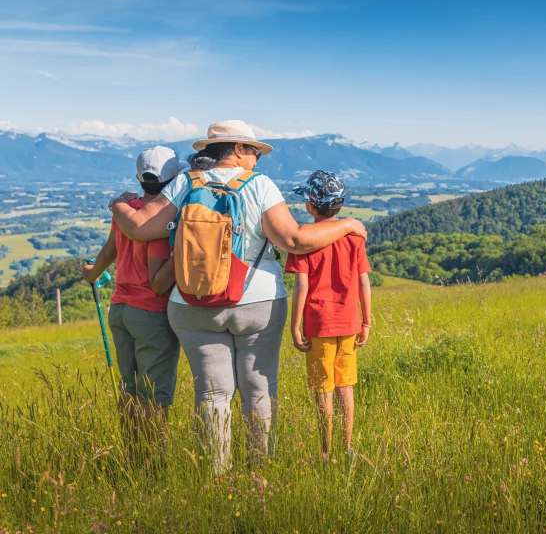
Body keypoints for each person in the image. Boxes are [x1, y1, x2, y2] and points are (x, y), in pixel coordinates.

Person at [109, 120, 368, 470]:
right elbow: (294, 240)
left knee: (212, 394)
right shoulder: (259, 185)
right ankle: (260, 473)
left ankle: (216, 478)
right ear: (238, 149)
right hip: (256, 301)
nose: (258, 159)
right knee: (258, 389)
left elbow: (140, 228)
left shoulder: (186, 181)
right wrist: (350, 225)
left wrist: (117, 205)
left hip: (191, 303)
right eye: (255, 151)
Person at [84, 146, 183, 454]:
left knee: (130, 389)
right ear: (174, 179)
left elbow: (110, 250)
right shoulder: (159, 220)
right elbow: (159, 278)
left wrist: (93, 273)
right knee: (155, 394)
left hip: (120, 309)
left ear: (140, 179)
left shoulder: (129, 212)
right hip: (150, 312)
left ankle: (134, 455)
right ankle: (155, 462)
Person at [286, 171, 372, 457]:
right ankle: (346, 449)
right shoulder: (354, 239)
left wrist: (295, 326)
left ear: (310, 206)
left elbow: (301, 285)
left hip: (318, 324)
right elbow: (363, 281)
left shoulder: (303, 240)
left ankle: (326, 452)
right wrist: (367, 321)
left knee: (322, 390)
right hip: (348, 323)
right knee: (345, 387)